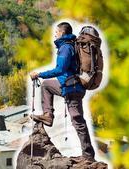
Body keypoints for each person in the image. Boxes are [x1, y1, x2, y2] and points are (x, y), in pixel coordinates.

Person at [30, 22, 95, 160]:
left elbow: (60, 69)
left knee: (77, 121)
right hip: (72, 86)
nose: (55, 34)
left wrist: (39, 74)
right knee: (46, 86)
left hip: (72, 88)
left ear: (62, 33)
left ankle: (88, 155)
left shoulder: (66, 47)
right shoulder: (71, 45)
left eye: (56, 32)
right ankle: (48, 115)